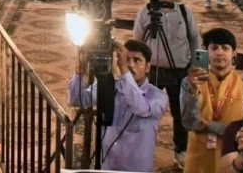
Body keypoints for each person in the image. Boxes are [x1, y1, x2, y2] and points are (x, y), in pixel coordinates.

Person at [67, 39, 168, 171]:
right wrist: (80, 70)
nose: (131, 65)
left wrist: (124, 70)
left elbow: (140, 108)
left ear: (147, 67)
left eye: (137, 60)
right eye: (127, 59)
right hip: (108, 167)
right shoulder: (110, 86)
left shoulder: (158, 96)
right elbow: (78, 100)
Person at [133, 0, 200, 166]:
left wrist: (195, 66)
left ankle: (181, 150)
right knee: (144, 109)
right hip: (152, 70)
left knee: (180, 112)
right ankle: (140, 148)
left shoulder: (185, 13)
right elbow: (137, 41)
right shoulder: (145, 13)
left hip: (178, 70)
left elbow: (195, 39)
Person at [182, 28, 243, 173]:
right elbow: (189, 123)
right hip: (199, 158)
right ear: (206, 52)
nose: (219, 52)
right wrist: (194, 90)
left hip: (231, 158)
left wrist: (207, 124)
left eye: (225, 48)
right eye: (214, 48)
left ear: (234, 53)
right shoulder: (190, 82)